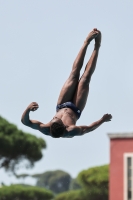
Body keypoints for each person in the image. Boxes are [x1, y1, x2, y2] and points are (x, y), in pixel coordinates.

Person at [21, 28, 112, 138]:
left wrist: (28, 109)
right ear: (64, 126)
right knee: (85, 79)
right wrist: (102, 120)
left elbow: (25, 122)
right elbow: (88, 128)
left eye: (54, 118)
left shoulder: (46, 128)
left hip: (62, 103)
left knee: (74, 74)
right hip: (76, 108)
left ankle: (86, 42)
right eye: (57, 119)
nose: (55, 117)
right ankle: (97, 46)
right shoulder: (71, 130)